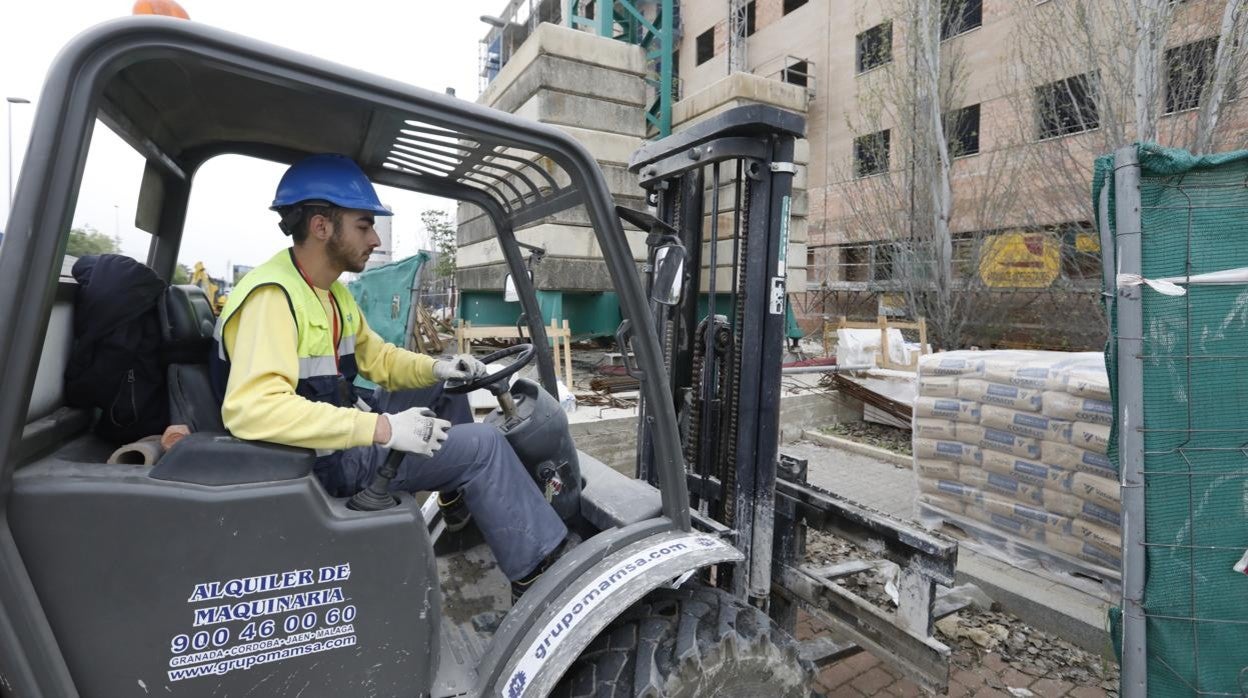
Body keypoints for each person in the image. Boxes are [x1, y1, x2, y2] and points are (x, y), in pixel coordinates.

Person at [210, 153, 570, 600]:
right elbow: (253, 409)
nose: (375, 239)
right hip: (318, 463)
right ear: (321, 226)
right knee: (484, 445)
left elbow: (378, 358)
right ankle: (540, 578)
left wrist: (439, 366)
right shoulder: (273, 298)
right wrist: (383, 428)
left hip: (334, 432)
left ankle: (457, 499)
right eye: (364, 226)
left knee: (442, 386)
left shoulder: (327, 292)